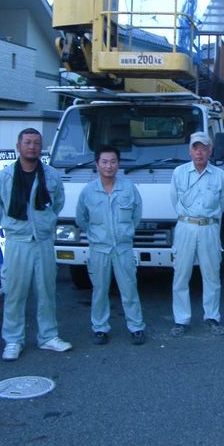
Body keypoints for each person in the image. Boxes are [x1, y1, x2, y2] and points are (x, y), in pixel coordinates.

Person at [0, 128, 72, 361]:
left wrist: (45, 222)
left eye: (36, 143)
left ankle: (48, 336)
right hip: (17, 242)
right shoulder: (5, 177)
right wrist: (13, 226)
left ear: (41, 147)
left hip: (43, 241)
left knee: (47, 291)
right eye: (27, 142)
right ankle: (13, 340)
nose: (32, 147)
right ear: (18, 146)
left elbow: (57, 203)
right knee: (15, 293)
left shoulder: (51, 175)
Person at [76, 145, 146, 346]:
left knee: (129, 289)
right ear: (97, 164)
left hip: (123, 248)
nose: (109, 166)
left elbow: (136, 215)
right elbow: (82, 219)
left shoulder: (128, 188)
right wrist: (96, 235)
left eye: (113, 162)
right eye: (104, 162)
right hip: (99, 249)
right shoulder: (88, 191)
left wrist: (125, 233)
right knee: (99, 291)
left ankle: (136, 327)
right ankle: (100, 328)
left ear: (118, 164)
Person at [169, 132, 224, 337]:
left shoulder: (219, 175)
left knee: (211, 275)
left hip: (209, 227)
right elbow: (174, 199)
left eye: (204, 148)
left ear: (210, 151)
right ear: (190, 151)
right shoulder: (179, 172)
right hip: (185, 226)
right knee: (181, 275)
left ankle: (212, 317)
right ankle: (181, 319)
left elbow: (223, 203)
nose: (199, 152)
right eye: (195, 148)